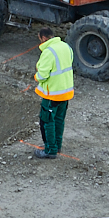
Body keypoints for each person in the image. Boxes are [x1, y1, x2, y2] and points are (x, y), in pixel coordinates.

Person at [34, 27, 74, 159]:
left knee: (47, 121)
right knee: (59, 120)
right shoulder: (66, 47)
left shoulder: (48, 52)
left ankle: (50, 150)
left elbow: (43, 75)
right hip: (66, 92)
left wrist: (36, 77)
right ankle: (57, 145)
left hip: (52, 94)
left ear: (44, 38)